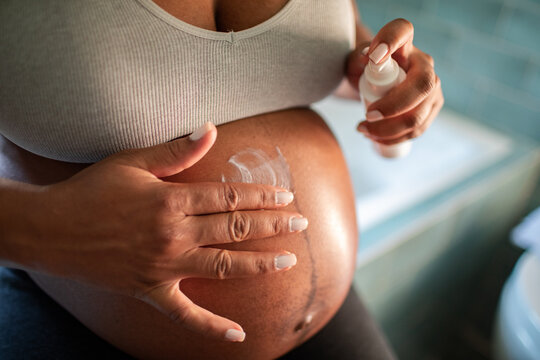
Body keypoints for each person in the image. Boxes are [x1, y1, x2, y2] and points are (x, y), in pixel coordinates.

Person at [0, 0, 443, 358]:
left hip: (330, 318)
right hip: (96, 311)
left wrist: (379, 70)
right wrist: (53, 233)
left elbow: (320, 49)